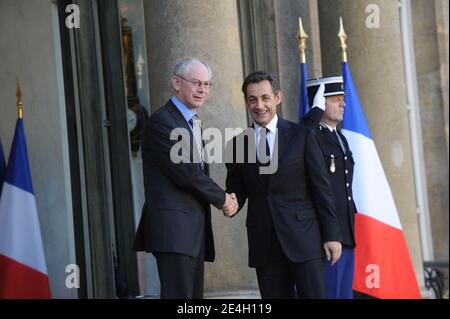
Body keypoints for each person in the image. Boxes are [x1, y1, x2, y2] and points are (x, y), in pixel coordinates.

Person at [224, 71, 342, 299]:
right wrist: (230, 202)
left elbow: (322, 189)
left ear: (277, 97)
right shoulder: (238, 144)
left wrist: (332, 235)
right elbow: (237, 188)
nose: (259, 105)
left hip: (304, 240)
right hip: (265, 246)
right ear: (246, 102)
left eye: (265, 98)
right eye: (253, 99)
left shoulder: (302, 135)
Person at [133, 57, 238, 299]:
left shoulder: (191, 122)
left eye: (207, 84)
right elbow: (187, 173)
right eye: (196, 83)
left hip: (191, 232)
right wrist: (223, 198)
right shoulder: (162, 122)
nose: (202, 89)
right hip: (174, 232)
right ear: (176, 83)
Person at [302, 76, 357, 299]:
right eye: (335, 99)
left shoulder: (340, 138)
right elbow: (299, 137)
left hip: (346, 233)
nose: (343, 104)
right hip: (325, 236)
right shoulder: (311, 135)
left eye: (342, 99)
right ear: (319, 103)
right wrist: (331, 234)